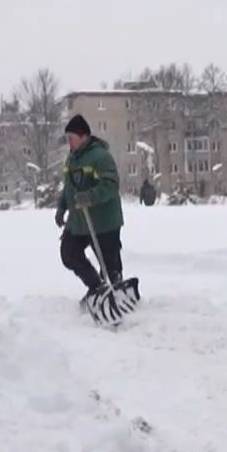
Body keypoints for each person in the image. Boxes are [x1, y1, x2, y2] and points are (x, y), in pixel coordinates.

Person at [55, 115, 136, 309]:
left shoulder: (101, 157)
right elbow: (69, 187)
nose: (69, 142)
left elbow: (110, 185)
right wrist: (62, 207)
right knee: (69, 253)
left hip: (103, 221)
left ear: (84, 136)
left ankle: (118, 298)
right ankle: (97, 287)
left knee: (110, 266)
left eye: (72, 137)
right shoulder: (72, 159)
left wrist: (90, 197)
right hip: (79, 221)